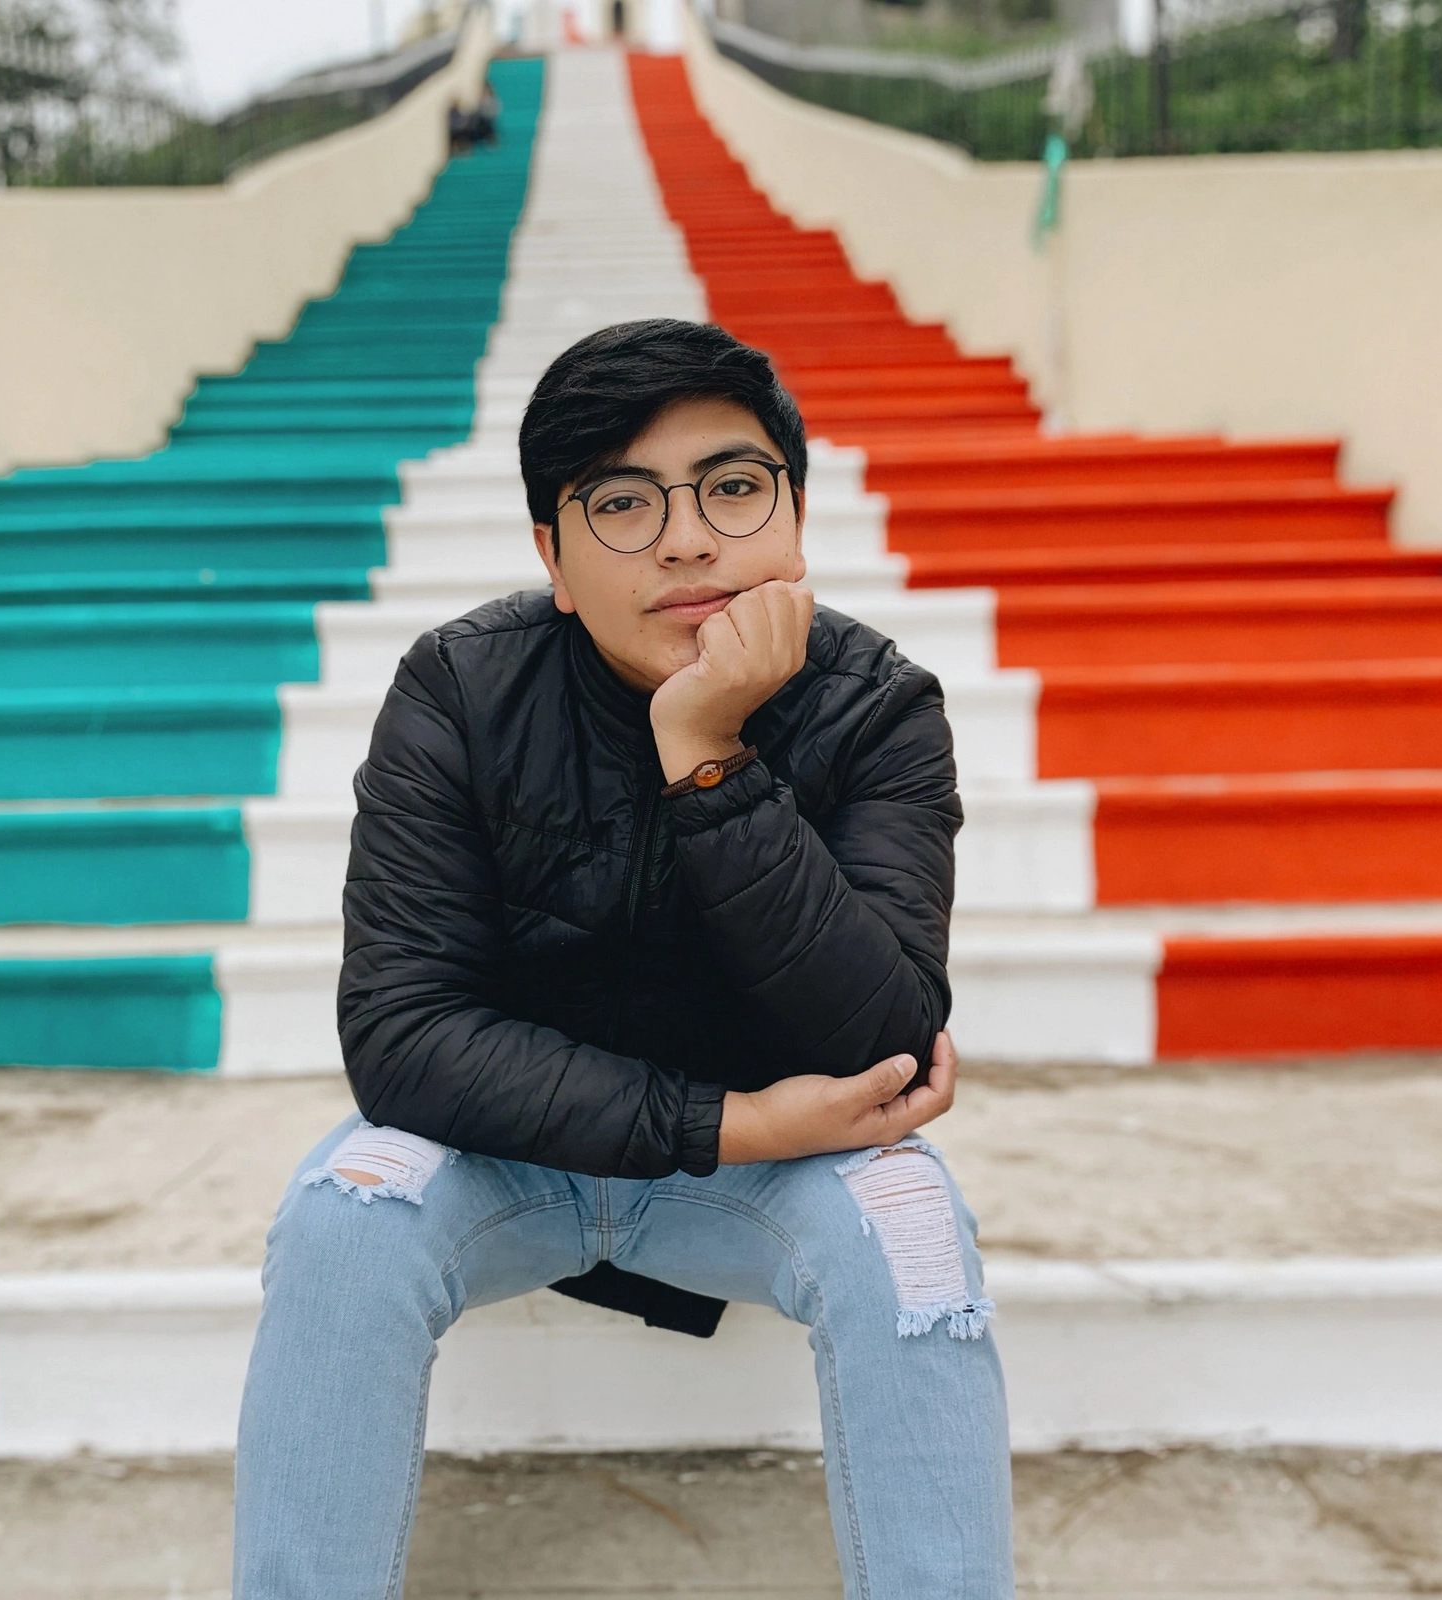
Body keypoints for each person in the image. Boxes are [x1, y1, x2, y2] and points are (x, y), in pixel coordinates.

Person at [232, 319, 1015, 1599]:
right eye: (622, 502)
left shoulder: (878, 705)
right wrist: (734, 1122)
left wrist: (709, 752)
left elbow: (874, 1040)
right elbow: (400, 1034)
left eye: (733, 485)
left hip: (773, 1181)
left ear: (795, 518)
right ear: (551, 552)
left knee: (911, 1224)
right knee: (346, 1219)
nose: (689, 537)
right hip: (510, 1156)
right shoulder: (459, 690)